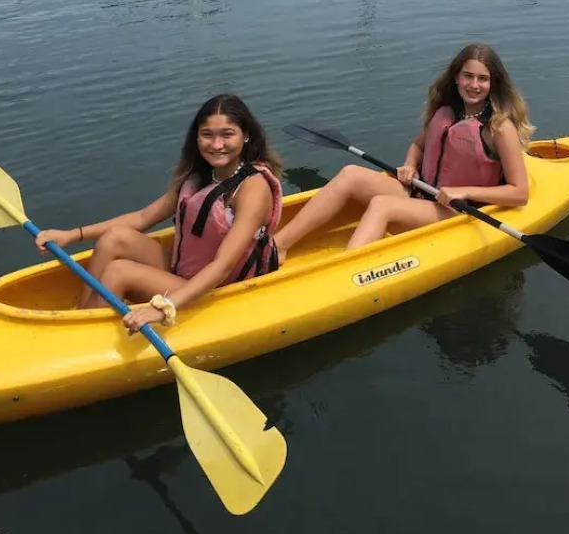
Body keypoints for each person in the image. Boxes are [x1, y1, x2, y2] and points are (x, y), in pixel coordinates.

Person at [35, 95, 282, 333]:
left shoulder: (253, 189)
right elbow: (142, 218)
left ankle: (88, 333)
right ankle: (84, 317)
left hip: (220, 287)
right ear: (196, 137)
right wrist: (71, 235)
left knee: (118, 271)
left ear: (246, 135)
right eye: (207, 134)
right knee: (115, 238)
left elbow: (223, 265)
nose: (217, 145)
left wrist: (164, 306)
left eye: (227, 134)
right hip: (184, 270)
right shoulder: (200, 175)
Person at [274, 43, 533, 257]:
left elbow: (519, 193)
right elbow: (418, 145)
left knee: (382, 205)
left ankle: (343, 272)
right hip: (423, 192)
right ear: (456, 77)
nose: (474, 85)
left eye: (482, 78)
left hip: (457, 210)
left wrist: (464, 192)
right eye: (468, 76)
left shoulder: (499, 128)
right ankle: (278, 246)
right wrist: (410, 165)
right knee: (351, 173)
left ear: (493, 83)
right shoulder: (447, 112)